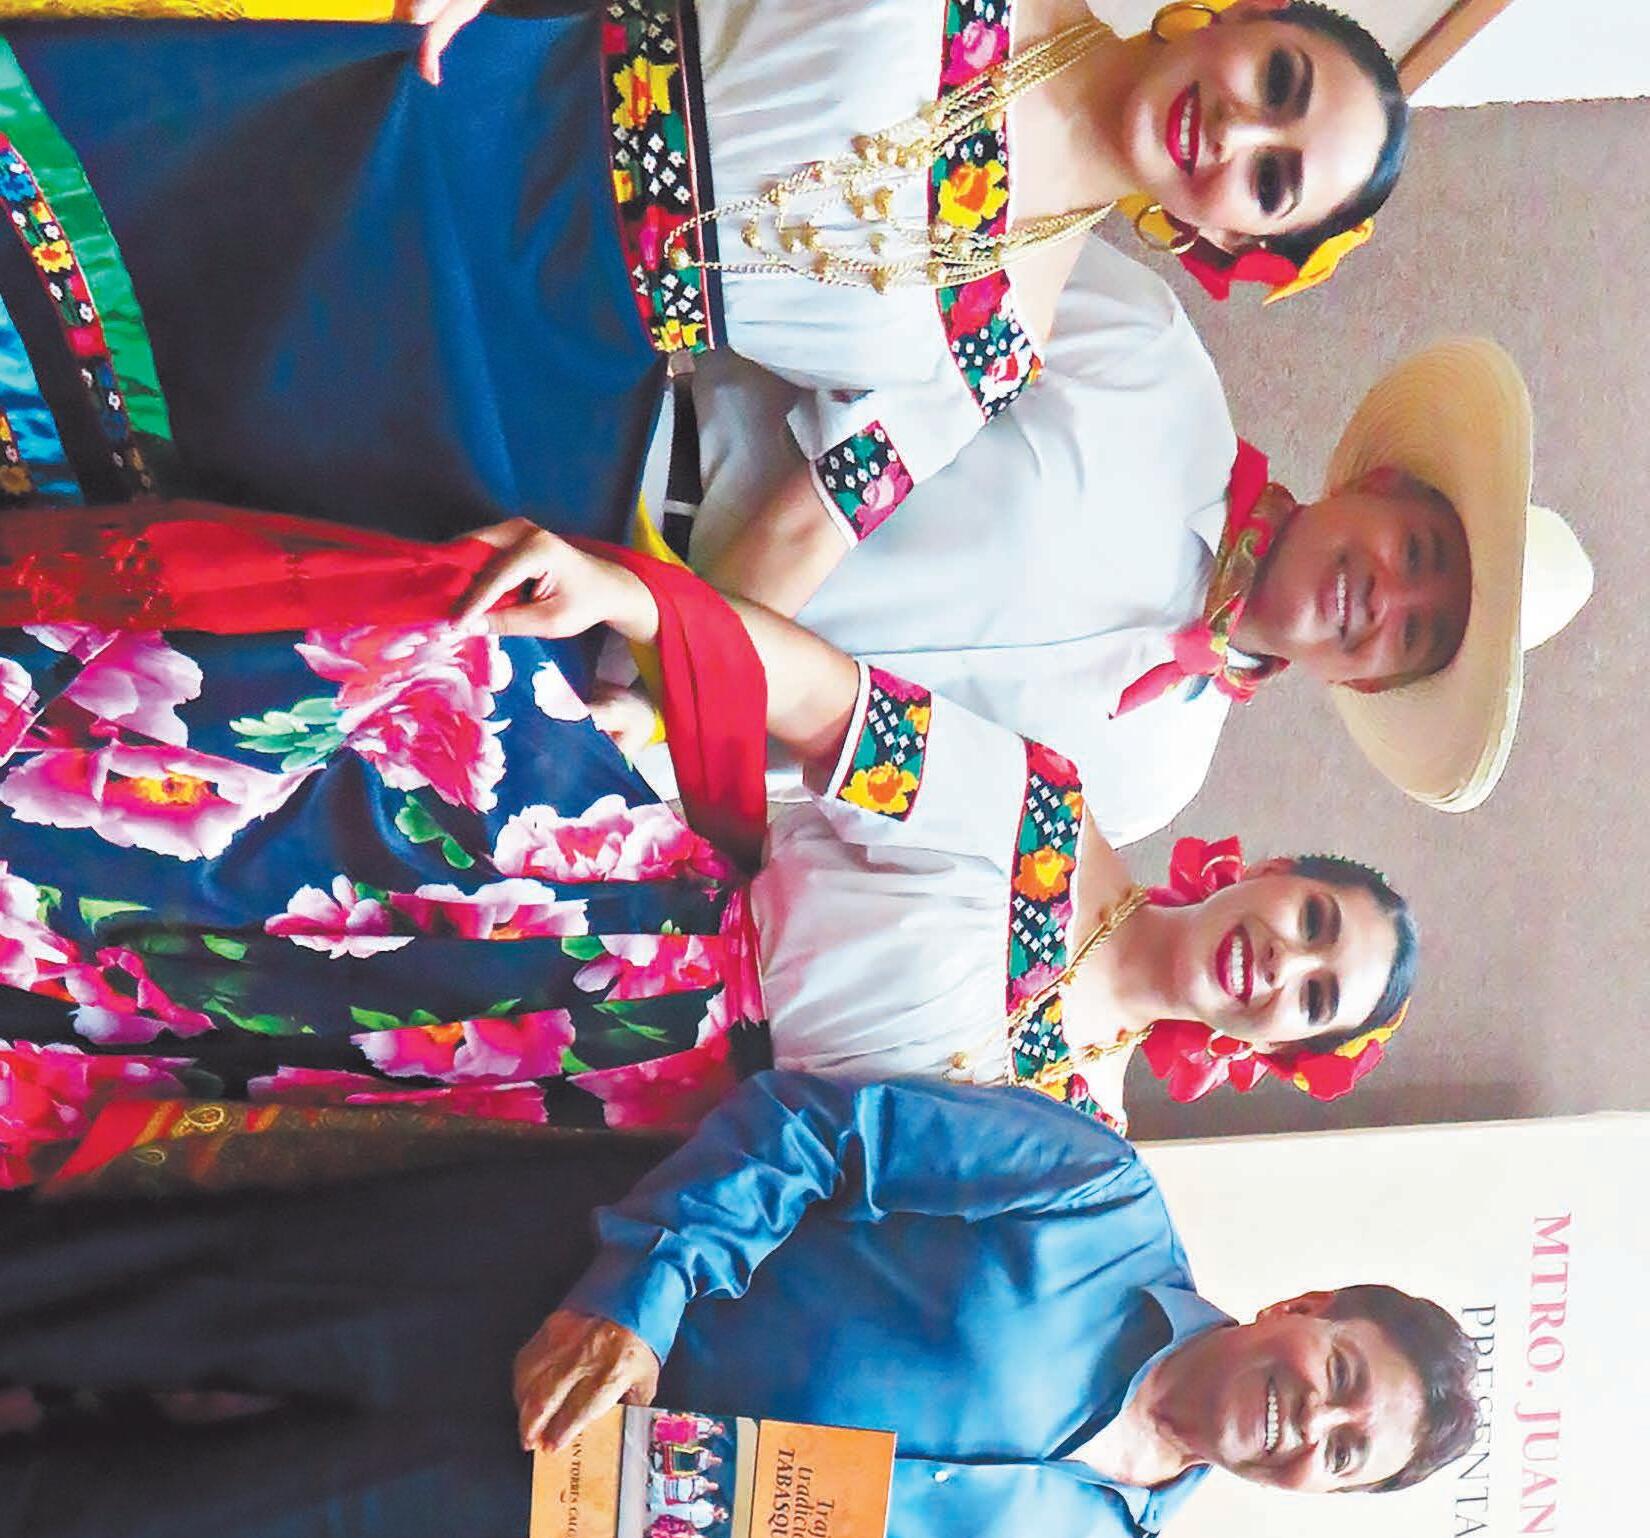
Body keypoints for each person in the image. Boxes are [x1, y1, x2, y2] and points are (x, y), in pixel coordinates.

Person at [0, 1048, 1478, 1538]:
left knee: (133, 1523)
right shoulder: (1099, 1198)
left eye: (1346, 1448)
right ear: (1305, 1305)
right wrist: (636, 1300)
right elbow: (814, 1129)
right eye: (1342, 1370)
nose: (1317, 1418)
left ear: (1319, 1492)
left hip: (543, 1519)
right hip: (531, 1291)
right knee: (128, 1296)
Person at [0, 515, 1416, 1175]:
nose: (1280, 963)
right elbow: (825, 700)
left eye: (1312, 998)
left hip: (613, 1114)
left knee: (245, 1056)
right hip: (603, 890)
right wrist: (627, 594)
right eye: (1313, 923)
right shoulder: (1043, 819)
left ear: (1269, 1052)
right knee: (304, 798)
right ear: (1266, 870)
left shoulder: (1080, 1144)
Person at [0, 3, 1407, 570]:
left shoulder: (998, 347)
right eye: (1279, 80)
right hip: (454, 102)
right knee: (93, 172)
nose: (1238, 131)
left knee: (142, 444)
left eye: (1273, 177)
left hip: (494, 370)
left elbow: (800, 533)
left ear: (1230, 239)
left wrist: (659, 691)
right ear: (1240, 17)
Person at [688, 290, 1593, 836]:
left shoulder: (1146, 787)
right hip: (650, 457)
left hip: (647, 728)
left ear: (1367, 682)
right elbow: (883, 302)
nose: (1388, 598)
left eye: (1417, 633)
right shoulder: (1148, 360)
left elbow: (866, 835)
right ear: (1378, 484)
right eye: (1418, 552)